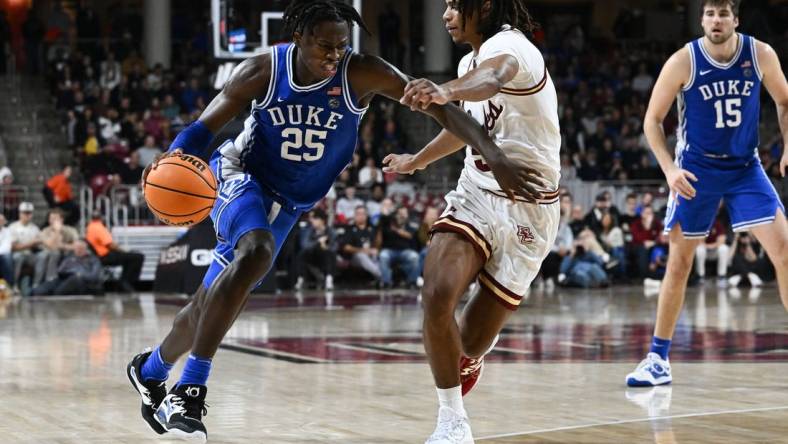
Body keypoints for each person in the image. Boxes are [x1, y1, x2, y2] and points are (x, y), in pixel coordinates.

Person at [125, 1, 543, 441]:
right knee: (257, 253)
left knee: (212, 301)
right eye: (325, 45)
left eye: (342, 45)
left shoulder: (361, 72)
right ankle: (189, 391)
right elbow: (203, 128)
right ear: (298, 39)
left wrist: (492, 154)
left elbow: (438, 109)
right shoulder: (261, 71)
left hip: (290, 202)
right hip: (241, 175)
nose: (334, 54)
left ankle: (150, 370)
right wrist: (174, 156)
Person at [383, 1, 559, 441]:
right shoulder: (467, 61)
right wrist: (417, 161)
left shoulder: (515, 48)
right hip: (476, 194)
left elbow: (493, 77)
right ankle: (452, 421)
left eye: (452, 5)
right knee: (437, 293)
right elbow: (463, 125)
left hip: (530, 208)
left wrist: (445, 91)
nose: (445, 15)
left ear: (482, 6)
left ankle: (473, 355)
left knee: (470, 343)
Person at [626, 0, 788, 388]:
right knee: (679, 264)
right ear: (702, 19)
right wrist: (669, 170)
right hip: (696, 169)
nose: (716, 21)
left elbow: (785, 100)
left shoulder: (760, 53)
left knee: (785, 249)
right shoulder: (684, 61)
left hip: (745, 166)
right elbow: (652, 120)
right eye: (710, 14)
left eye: (723, 14)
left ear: (737, 19)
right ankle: (658, 358)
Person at [85, 211, 143, 292]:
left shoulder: (90, 227)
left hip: (101, 255)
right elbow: (110, 245)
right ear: (102, 218)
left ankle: (124, 282)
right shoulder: (98, 227)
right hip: (105, 256)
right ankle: (126, 282)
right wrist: (125, 252)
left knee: (130, 258)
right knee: (138, 257)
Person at [31, 240, 103, 296]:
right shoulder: (70, 257)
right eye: (76, 248)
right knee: (40, 290)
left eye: (80, 248)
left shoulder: (93, 260)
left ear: (86, 249)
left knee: (74, 280)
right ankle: (34, 292)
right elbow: (60, 270)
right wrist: (69, 272)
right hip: (63, 278)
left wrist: (79, 274)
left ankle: (55, 293)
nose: (78, 250)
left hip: (81, 281)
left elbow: (94, 276)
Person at [376, 205, 420, 289]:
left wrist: (396, 229)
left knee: (414, 256)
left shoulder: (410, 223)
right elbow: (379, 240)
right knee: (383, 255)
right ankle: (386, 282)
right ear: (395, 215)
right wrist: (382, 224)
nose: (401, 216)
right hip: (389, 250)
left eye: (403, 213)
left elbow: (409, 235)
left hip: (405, 251)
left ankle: (412, 282)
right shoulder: (388, 223)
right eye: (399, 214)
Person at [35, 209, 79, 288]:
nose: (53, 221)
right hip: (48, 256)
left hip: (66, 256)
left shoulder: (71, 230)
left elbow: (78, 246)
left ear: (62, 220)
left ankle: (51, 281)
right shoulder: (45, 231)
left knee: (58, 253)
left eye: (56, 219)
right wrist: (57, 231)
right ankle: (41, 283)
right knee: (47, 254)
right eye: (51, 219)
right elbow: (52, 246)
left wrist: (63, 246)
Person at [294, 209, 336, 290]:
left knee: (329, 253)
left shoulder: (331, 231)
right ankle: (300, 279)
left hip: (326, 258)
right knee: (302, 253)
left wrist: (326, 246)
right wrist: (318, 242)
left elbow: (335, 247)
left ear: (322, 220)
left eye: (315, 218)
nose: (312, 220)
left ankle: (329, 280)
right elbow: (305, 245)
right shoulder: (309, 230)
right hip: (312, 257)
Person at [338, 205, 381, 281]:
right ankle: (381, 276)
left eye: (363, 214)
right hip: (355, 257)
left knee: (377, 254)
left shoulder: (372, 228)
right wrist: (363, 251)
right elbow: (346, 247)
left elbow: (377, 245)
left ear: (366, 215)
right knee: (361, 256)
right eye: (358, 214)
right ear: (354, 215)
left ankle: (379, 278)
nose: (361, 216)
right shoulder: (350, 229)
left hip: (371, 255)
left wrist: (375, 249)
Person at [9, 202, 42, 294]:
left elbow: (39, 244)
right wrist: (31, 243)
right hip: (17, 254)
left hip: (30, 254)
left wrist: (36, 244)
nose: (27, 215)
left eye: (29, 213)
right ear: (20, 213)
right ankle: (13, 285)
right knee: (18, 257)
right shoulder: (13, 227)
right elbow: (13, 247)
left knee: (42, 257)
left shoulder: (35, 228)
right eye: (24, 213)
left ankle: (37, 284)